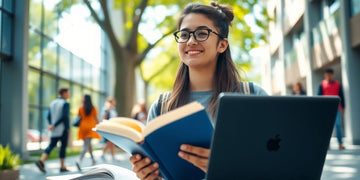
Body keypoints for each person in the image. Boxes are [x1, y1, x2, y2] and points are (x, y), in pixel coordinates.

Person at [129, 2, 267, 179]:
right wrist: (148, 176)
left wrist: (225, 167)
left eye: (202, 33)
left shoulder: (253, 97)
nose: (191, 41)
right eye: (184, 35)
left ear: (222, 45)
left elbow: (274, 166)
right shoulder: (162, 107)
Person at [35, 87, 71, 173]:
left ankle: (41, 161)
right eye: (68, 93)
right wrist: (57, 126)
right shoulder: (65, 104)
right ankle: (62, 167)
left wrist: (52, 125)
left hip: (54, 130)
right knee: (63, 147)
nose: (69, 95)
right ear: (64, 93)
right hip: (63, 129)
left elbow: (48, 116)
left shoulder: (53, 103)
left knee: (51, 145)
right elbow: (64, 117)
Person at [317, 68, 346, 150]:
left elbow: (341, 96)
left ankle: (340, 143)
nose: (329, 76)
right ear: (325, 75)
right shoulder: (322, 84)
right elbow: (319, 96)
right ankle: (327, 145)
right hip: (325, 109)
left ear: (333, 75)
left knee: (338, 125)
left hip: (337, 109)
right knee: (327, 127)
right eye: (327, 75)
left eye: (330, 75)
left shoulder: (337, 84)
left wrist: (343, 107)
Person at [75, 94, 101, 171]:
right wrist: (99, 126)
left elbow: (78, 117)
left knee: (88, 144)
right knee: (86, 145)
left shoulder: (80, 107)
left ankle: (93, 160)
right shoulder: (93, 108)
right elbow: (96, 119)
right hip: (90, 127)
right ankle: (79, 160)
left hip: (83, 127)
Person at [100, 97, 118, 161]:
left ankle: (112, 157)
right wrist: (108, 109)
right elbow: (104, 117)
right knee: (109, 141)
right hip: (108, 127)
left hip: (113, 127)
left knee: (112, 142)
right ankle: (102, 154)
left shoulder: (113, 109)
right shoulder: (105, 108)